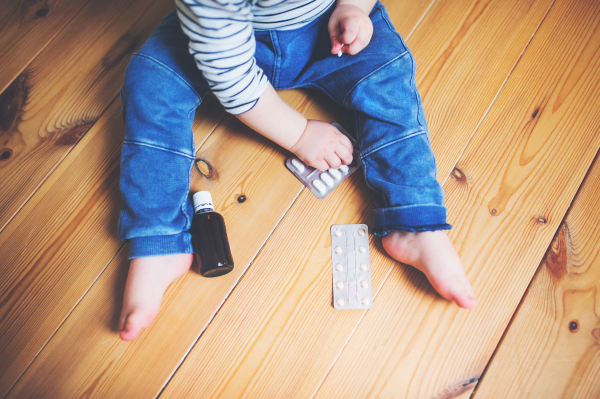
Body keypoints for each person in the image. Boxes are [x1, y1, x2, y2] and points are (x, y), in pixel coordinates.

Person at [117, 0, 476, 341]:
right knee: (151, 83)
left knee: (389, 79)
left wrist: (355, 8)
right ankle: (158, 238)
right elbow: (232, 78)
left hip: (331, 22)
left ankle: (414, 220)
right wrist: (299, 134)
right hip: (222, 49)